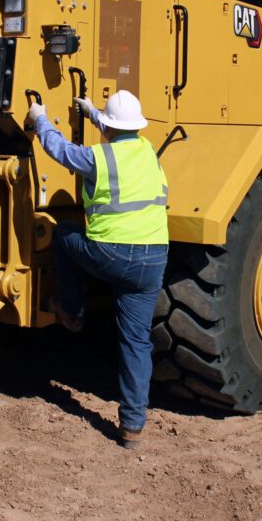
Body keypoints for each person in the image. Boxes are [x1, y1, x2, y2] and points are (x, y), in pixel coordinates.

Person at [28, 90, 169, 449]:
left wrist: (39, 117)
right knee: (136, 341)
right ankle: (133, 428)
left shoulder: (97, 157)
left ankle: (72, 313)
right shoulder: (149, 151)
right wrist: (91, 111)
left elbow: (59, 150)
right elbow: (115, 134)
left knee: (63, 234)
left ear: (107, 125)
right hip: (152, 259)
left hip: (111, 254)